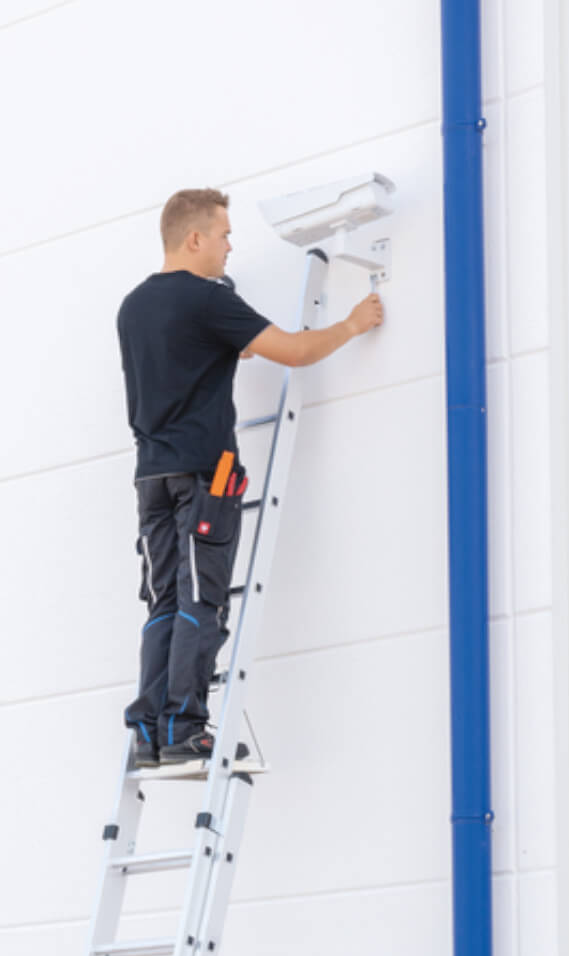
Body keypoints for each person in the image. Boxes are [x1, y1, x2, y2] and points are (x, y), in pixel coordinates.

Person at [117, 187, 384, 767]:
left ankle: (149, 731)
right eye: (224, 234)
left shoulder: (134, 307)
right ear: (195, 238)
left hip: (151, 478)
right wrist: (351, 324)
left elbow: (181, 362)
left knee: (164, 600)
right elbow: (294, 350)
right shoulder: (205, 300)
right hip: (204, 475)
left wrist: (224, 349)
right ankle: (187, 728)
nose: (229, 246)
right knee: (203, 599)